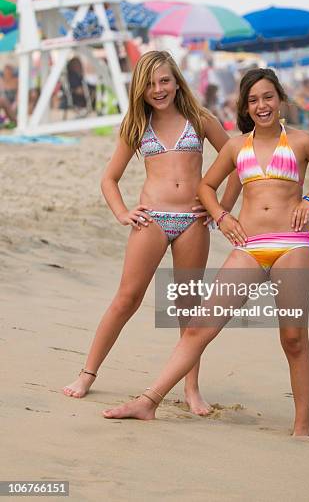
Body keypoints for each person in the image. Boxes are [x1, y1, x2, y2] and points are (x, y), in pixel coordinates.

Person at [102, 68, 309, 435]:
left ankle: (302, 425)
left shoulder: (301, 142)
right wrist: (222, 216)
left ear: (280, 99)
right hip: (249, 247)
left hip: (292, 245)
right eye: (253, 100)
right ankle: (148, 401)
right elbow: (206, 185)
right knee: (198, 329)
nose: (261, 105)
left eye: (268, 97)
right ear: (245, 107)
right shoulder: (238, 146)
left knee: (293, 338)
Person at [63, 51, 241, 415]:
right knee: (127, 299)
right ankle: (86, 374)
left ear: (177, 81)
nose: (157, 89)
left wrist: (220, 209)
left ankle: (191, 390)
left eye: (164, 81)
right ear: (139, 89)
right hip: (152, 219)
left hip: (193, 221)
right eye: (149, 83)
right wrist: (122, 213)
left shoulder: (200, 120)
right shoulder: (136, 125)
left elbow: (238, 162)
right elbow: (109, 178)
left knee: (188, 308)